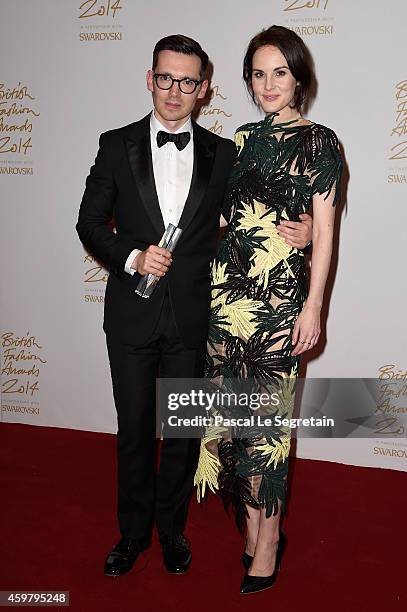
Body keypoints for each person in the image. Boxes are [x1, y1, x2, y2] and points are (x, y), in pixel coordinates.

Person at [77, 34, 312, 579]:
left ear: (204, 88)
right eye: (166, 78)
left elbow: (258, 209)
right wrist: (133, 256)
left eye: (188, 81)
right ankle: (132, 536)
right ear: (150, 78)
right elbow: (89, 223)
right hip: (131, 318)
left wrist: (298, 232)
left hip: (195, 318)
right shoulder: (116, 145)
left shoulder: (225, 153)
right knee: (134, 430)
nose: (175, 91)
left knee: (182, 433)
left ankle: (172, 531)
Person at [195, 25, 342, 595]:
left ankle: (270, 538)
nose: (268, 84)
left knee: (269, 428)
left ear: (299, 77)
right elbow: (227, 219)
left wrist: (314, 308)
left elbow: (325, 236)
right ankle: (255, 531)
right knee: (234, 426)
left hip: (280, 304)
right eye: (258, 73)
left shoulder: (321, 142)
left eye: (280, 72)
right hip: (226, 298)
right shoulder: (241, 137)